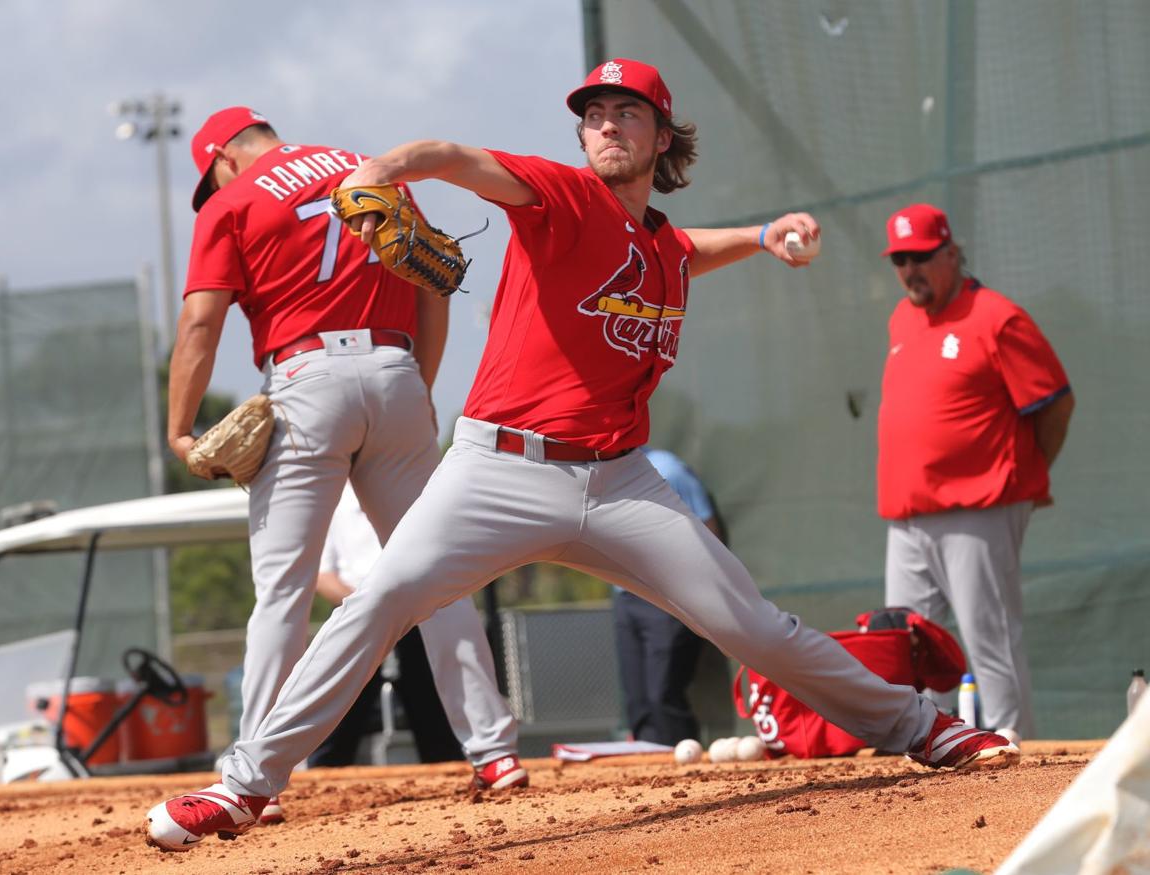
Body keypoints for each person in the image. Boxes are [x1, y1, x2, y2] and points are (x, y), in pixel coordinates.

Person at [147, 60, 1020, 852]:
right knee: (380, 598)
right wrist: (379, 171)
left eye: (626, 113)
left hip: (620, 480)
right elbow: (454, 154)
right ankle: (243, 784)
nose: (606, 125)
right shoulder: (559, 197)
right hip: (499, 468)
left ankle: (924, 726)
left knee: (752, 625)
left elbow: (683, 250)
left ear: (662, 137)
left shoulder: (662, 248)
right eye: (594, 113)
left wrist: (761, 236)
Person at [165, 107, 526, 826]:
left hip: (305, 381)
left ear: (224, 160)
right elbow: (434, 280)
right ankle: (494, 750)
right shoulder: (369, 168)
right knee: (438, 573)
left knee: (284, 589)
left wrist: (179, 428)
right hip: (394, 366)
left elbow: (202, 323)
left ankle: (255, 773)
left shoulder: (234, 201)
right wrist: (414, 386)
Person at [877, 203, 1074, 740]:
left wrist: (1023, 476)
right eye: (900, 259)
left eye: (920, 256)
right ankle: (931, 745)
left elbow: (1055, 403)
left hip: (980, 506)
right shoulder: (901, 317)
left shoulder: (997, 316)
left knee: (992, 639)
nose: (910, 269)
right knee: (911, 645)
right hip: (907, 513)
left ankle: (1015, 749)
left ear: (953, 252)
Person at [308, 484, 461, 767]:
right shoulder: (331, 499)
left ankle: (450, 772)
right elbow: (323, 575)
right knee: (340, 707)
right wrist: (368, 605)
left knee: (430, 703)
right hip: (355, 616)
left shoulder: (410, 489)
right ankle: (322, 776)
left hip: (416, 615)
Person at [613, 448, 724, 745]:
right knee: (637, 700)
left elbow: (708, 529)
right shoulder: (602, 473)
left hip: (668, 598)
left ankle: (685, 774)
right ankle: (649, 773)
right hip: (626, 597)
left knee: (662, 694)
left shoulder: (667, 468)